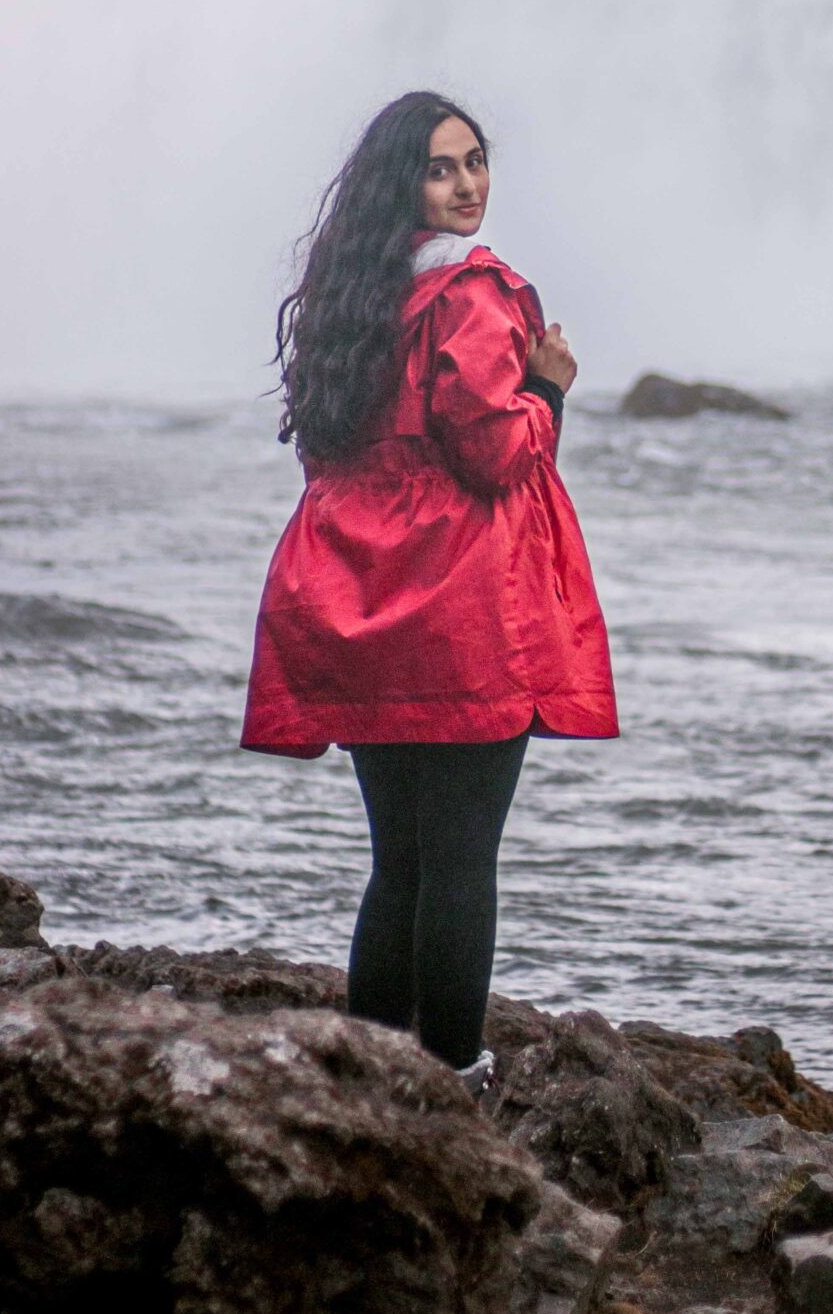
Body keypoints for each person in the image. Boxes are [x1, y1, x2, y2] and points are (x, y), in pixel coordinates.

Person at [241, 90, 618, 1089]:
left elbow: (333, 453)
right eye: (442, 168)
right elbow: (496, 455)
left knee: (399, 860)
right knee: (459, 861)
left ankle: (366, 1072)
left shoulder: (351, 299)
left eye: (475, 161)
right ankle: (455, 1074)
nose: (467, 185)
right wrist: (548, 387)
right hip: (458, 615)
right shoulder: (473, 296)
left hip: (360, 602)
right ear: (404, 183)